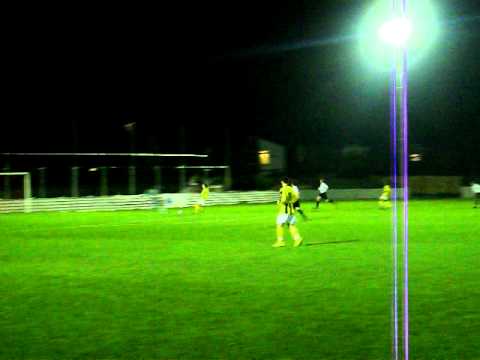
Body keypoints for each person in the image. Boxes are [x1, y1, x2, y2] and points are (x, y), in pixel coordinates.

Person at [272, 177, 303, 248]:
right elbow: (297, 197)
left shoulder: (283, 189)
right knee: (291, 225)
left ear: (283, 182)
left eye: (281, 183)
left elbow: (283, 199)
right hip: (291, 210)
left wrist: (279, 201)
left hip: (284, 210)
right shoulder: (291, 189)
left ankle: (280, 241)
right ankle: (298, 239)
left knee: (279, 225)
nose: (281, 184)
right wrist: (291, 202)